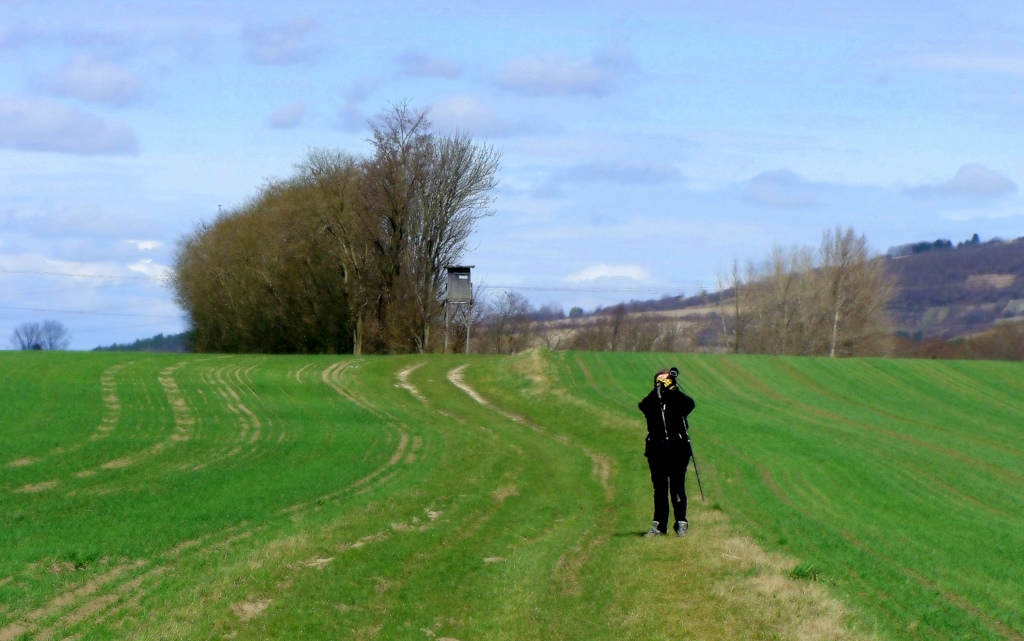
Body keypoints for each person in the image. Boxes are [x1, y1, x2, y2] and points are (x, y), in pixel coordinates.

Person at [638, 366, 695, 537]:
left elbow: (689, 405)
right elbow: (643, 406)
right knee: (660, 488)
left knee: (677, 487)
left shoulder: (677, 399)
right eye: (661, 380)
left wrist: (672, 389)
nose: (664, 383)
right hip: (656, 449)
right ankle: (659, 526)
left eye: (667, 380)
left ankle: (681, 523)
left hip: (678, 449)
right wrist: (657, 388)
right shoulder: (652, 401)